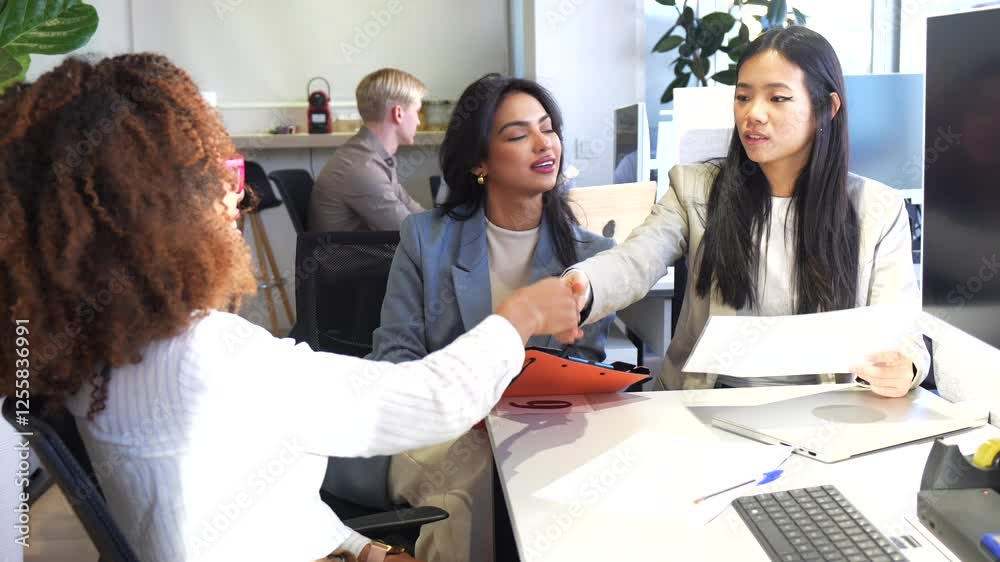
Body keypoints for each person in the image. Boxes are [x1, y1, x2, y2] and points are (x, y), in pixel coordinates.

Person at [0, 54, 586, 562]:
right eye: (210, 178)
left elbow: (254, 497)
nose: (237, 194)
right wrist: (522, 316)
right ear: (150, 212)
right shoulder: (203, 355)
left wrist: (359, 547)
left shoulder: (104, 356)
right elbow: (431, 402)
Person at [563, 26, 929, 396]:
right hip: (709, 405)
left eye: (778, 98)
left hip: (821, 410)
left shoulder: (878, 209)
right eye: (743, 97)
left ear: (827, 109)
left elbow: (900, 326)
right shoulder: (696, 189)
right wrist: (584, 286)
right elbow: (635, 259)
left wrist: (907, 365)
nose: (753, 114)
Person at [349, 74, 615, 562]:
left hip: (536, 432)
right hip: (433, 431)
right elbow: (394, 357)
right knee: (478, 470)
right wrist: (459, 401)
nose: (543, 143)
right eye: (518, 135)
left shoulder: (591, 257)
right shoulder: (425, 239)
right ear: (479, 161)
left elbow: (584, 366)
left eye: (548, 128)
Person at [309, 68, 426, 232]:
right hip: (359, 258)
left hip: (366, 255)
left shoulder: (371, 155)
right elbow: (411, 234)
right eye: (417, 111)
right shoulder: (362, 166)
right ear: (398, 113)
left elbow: (412, 211)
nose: (418, 122)